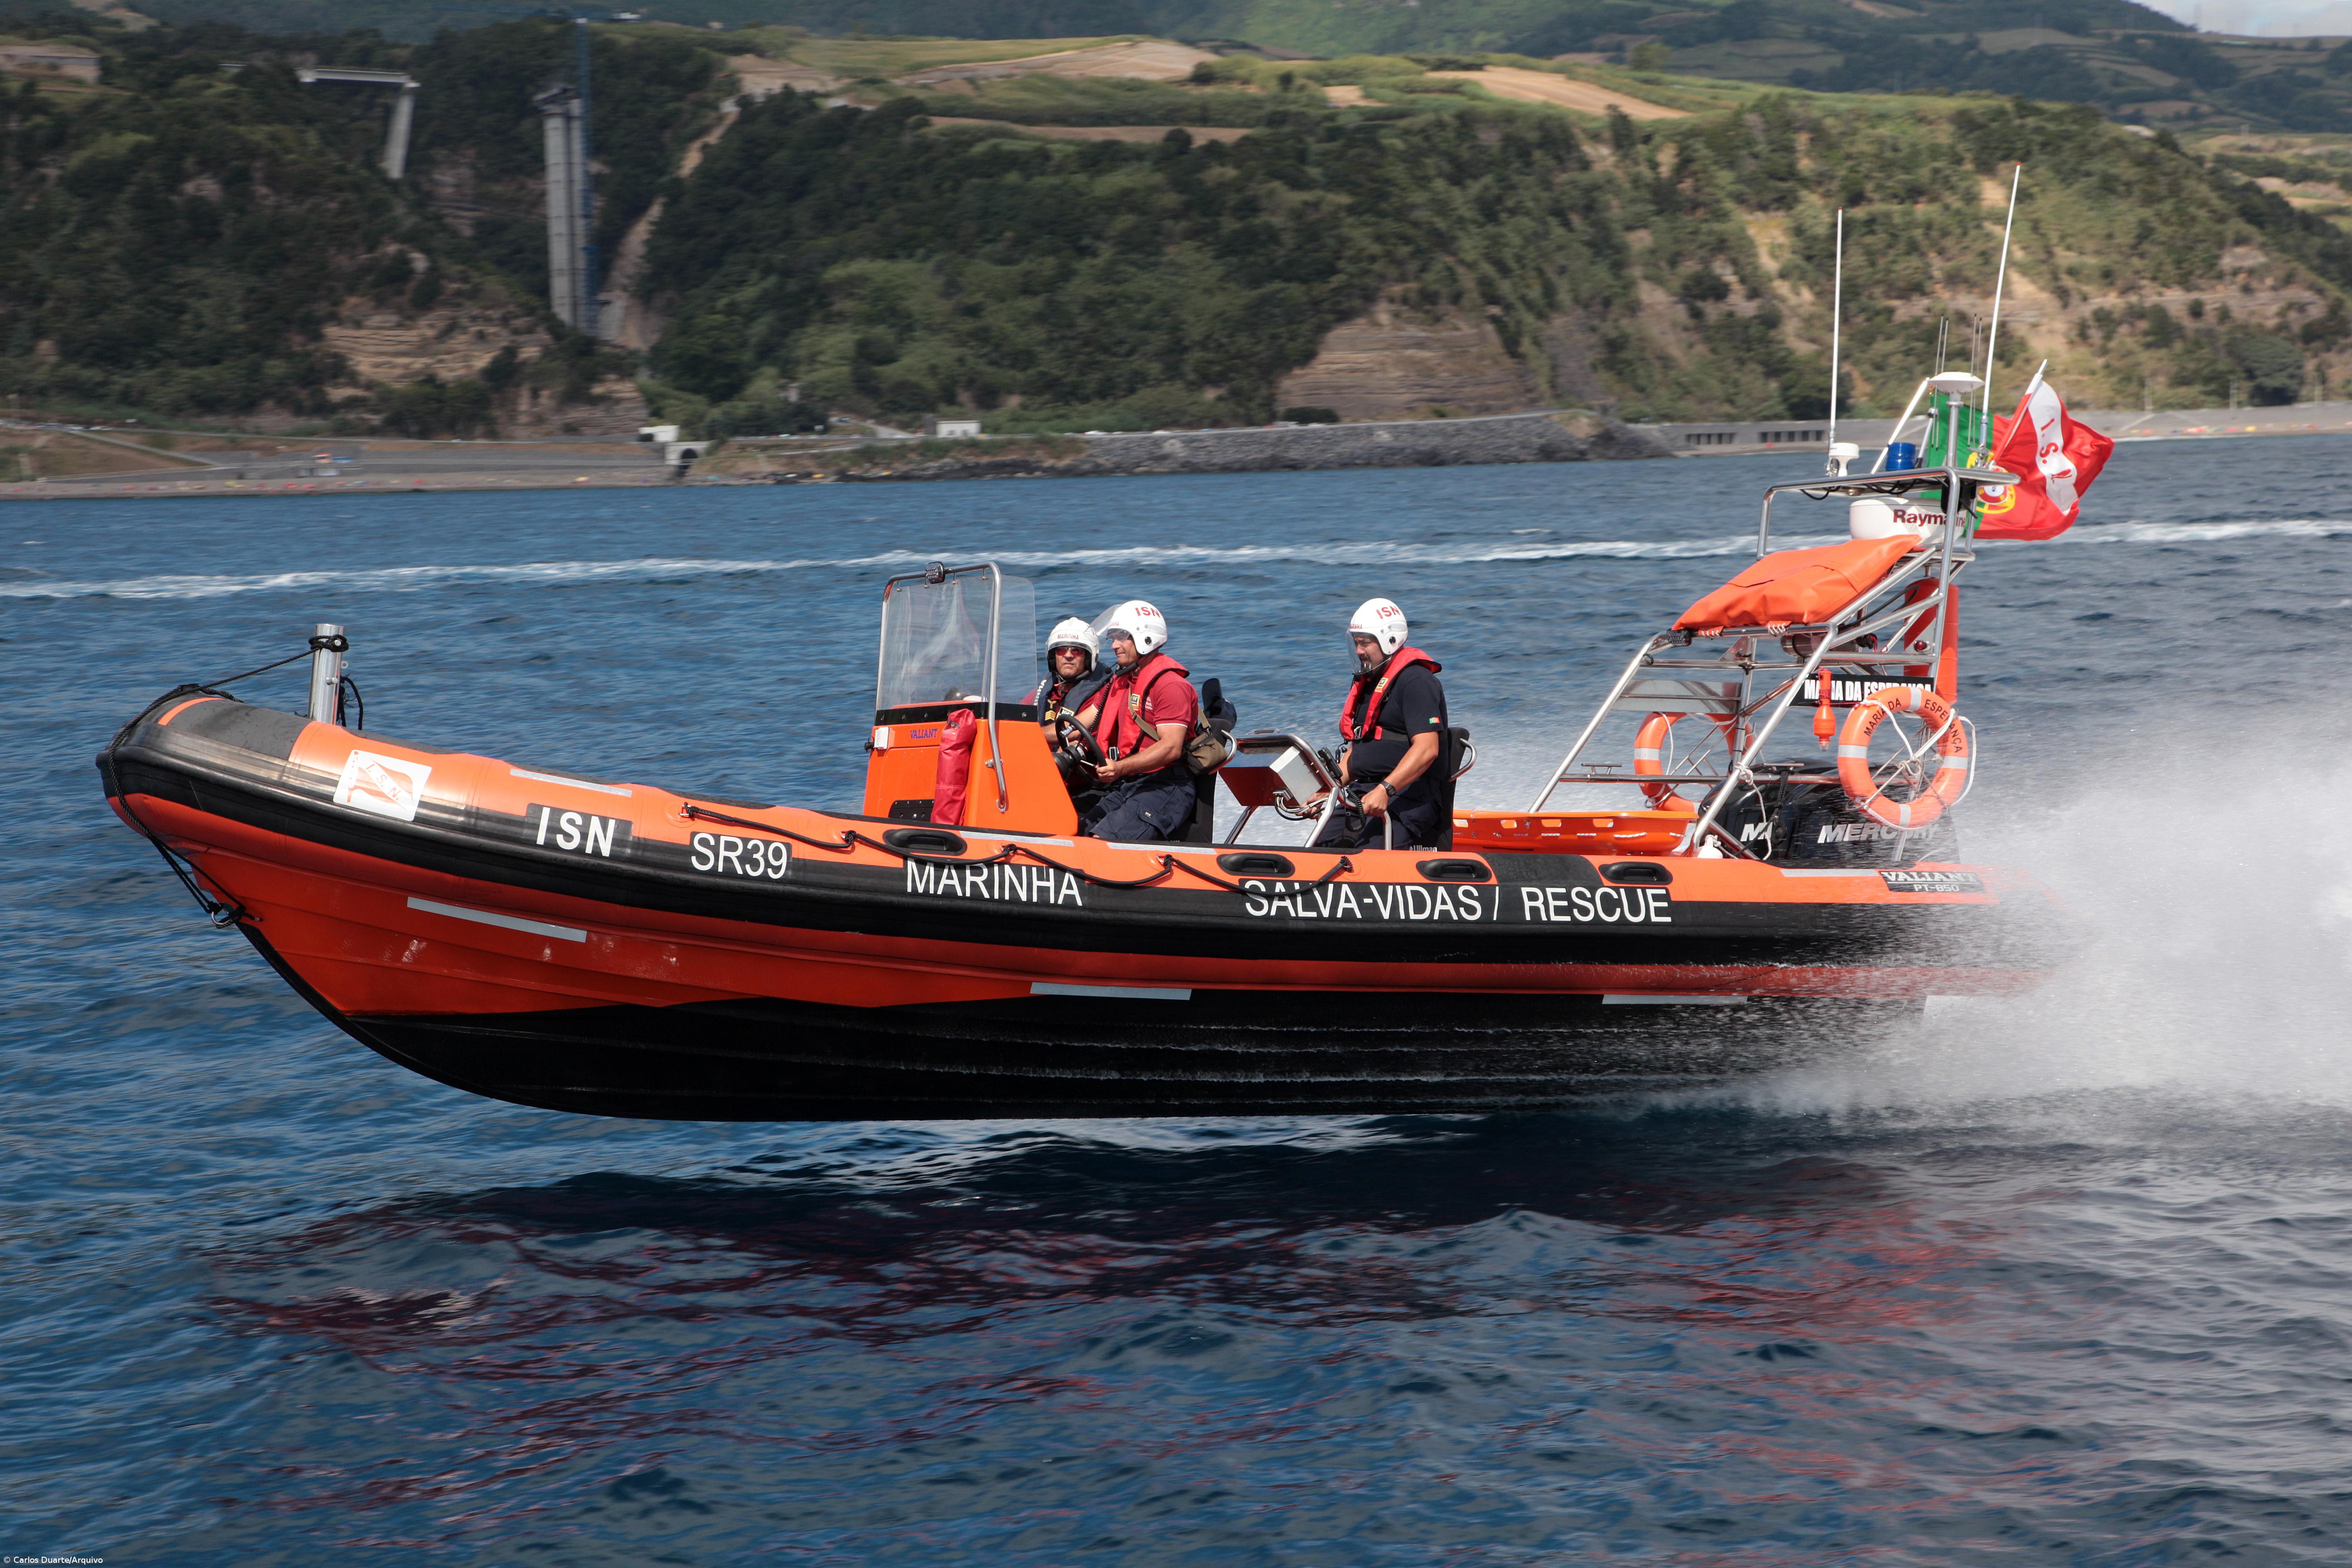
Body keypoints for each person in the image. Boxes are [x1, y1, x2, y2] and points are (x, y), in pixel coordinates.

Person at [1315, 597, 1448, 850]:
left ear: (1390, 640)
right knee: (1318, 853)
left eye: (1365, 643)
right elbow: (1357, 753)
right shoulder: (1371, 685)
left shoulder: (1416, 682)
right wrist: (1325, 790)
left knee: (1362, 859)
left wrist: (1386, 790)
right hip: (1362, 792)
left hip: (1408, 797)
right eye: (1356, 643)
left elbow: (1428, 749)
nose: (1358, 651)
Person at [1080, 600, 1199, 842]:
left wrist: (1120, 768)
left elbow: (1171, 747)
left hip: (1167, 785)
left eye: (1121, 637)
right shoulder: (1124, 682)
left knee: (1102, 843)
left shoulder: (1170, 685)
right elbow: (1079, 724)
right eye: (1112, 637)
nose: (1114, 645)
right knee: (1076, 830)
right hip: (1133, 783)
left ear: (1145, 638)